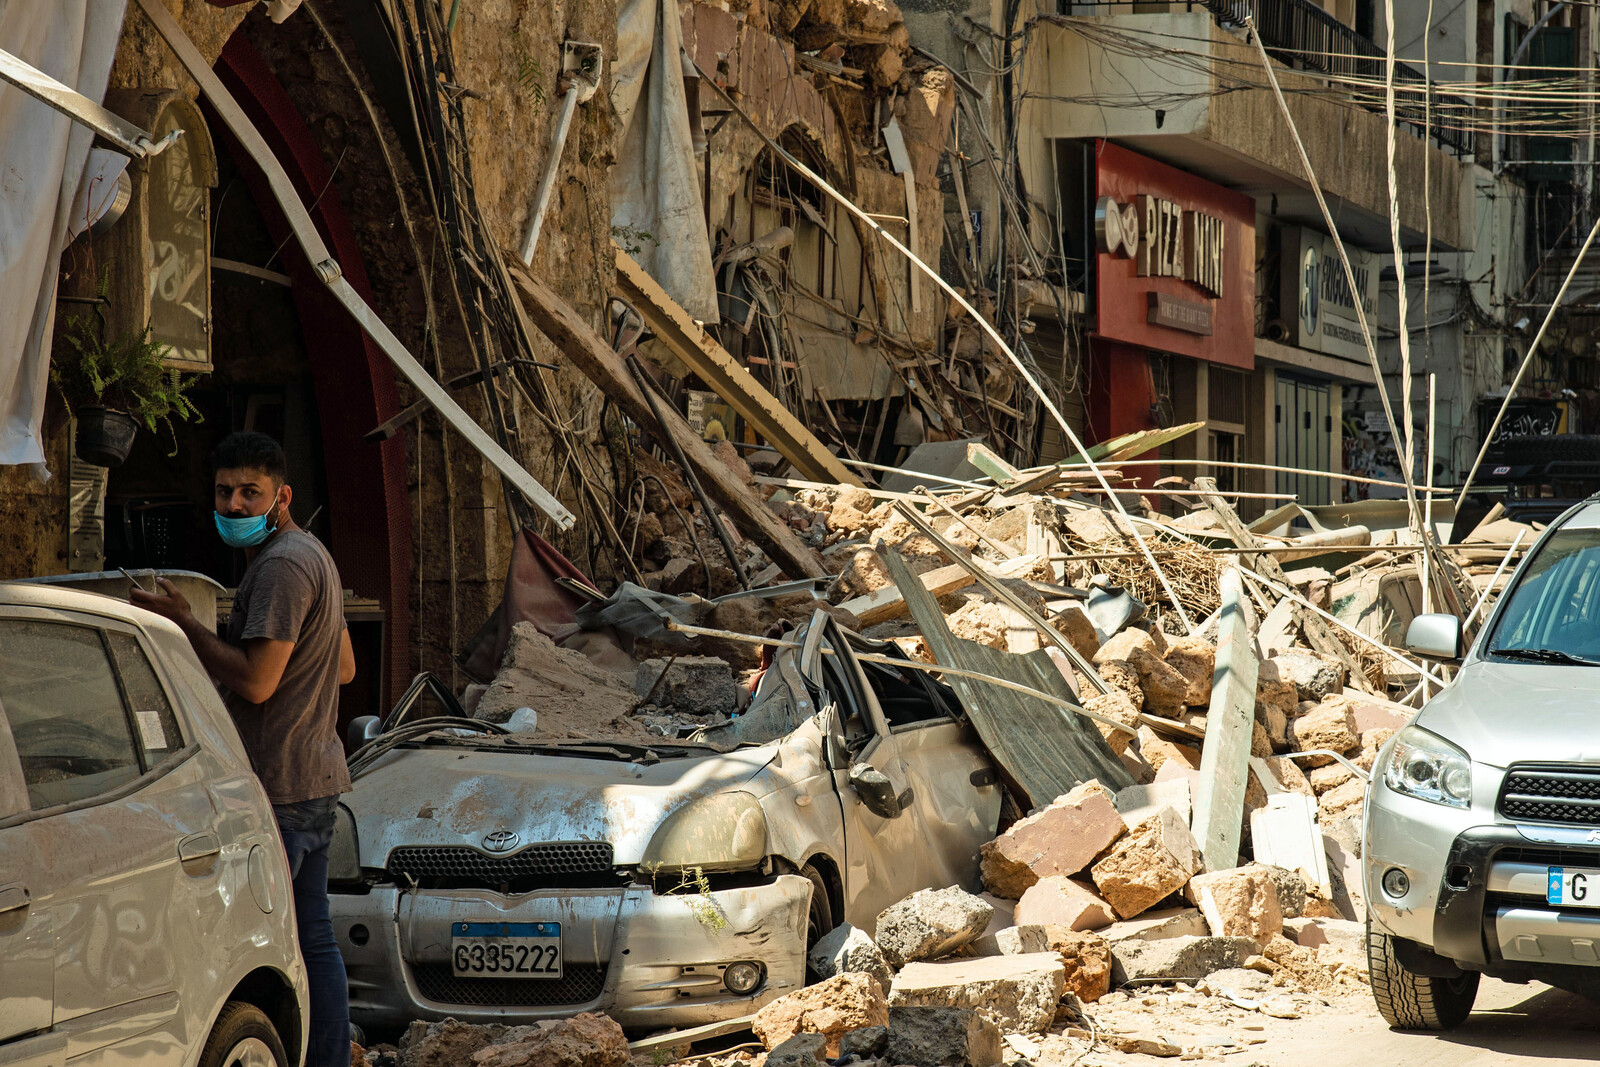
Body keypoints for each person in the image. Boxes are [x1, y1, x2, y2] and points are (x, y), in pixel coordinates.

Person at [132, 430, 354, 1067]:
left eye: (248, 493)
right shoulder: (312, 555)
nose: (232, 505)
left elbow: (258, 681)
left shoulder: (282, 567)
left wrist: (185, 626)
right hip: (315, 779)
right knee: (312, 937)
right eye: (224, 492)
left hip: (281, 787)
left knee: (261, 946)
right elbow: (341, 666)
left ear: (280, 496)